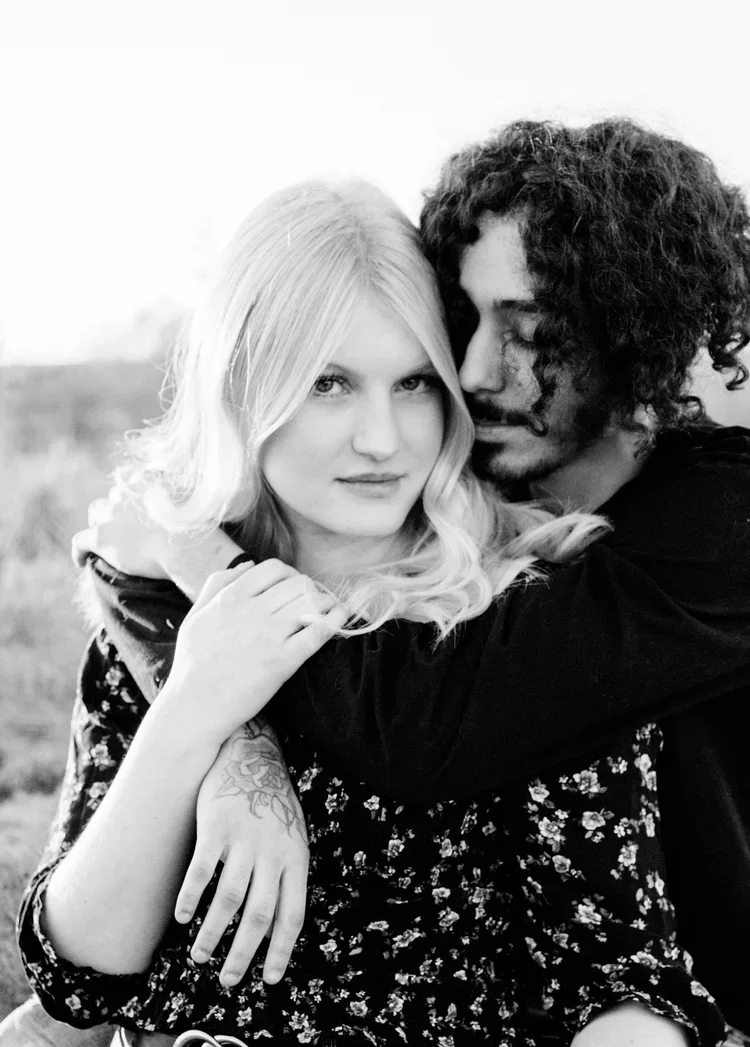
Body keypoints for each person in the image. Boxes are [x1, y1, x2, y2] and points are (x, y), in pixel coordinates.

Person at [41, 117, 750, 1044]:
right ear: (245, 387)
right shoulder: (168, 620)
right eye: (329, 382)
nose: (383, 438)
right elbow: (78, 978)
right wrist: (201, 714)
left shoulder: (556, 596)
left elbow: (619, 973)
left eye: (415, 382)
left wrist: (202, 578)